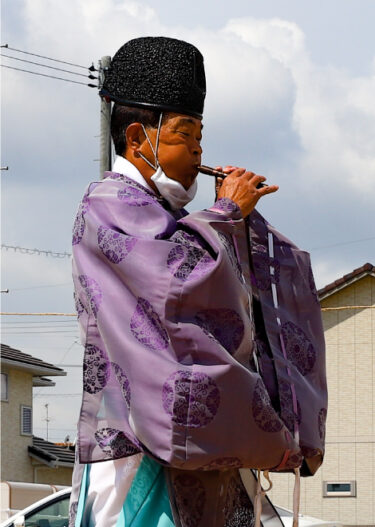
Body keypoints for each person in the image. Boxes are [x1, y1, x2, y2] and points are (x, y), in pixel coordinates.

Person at [69, 36, 326, 527]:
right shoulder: (109, 202)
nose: (198, 150)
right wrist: (226, 213)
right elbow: (176, 283)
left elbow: (207, 273)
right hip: (137, 447)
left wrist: (235, 222)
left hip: (193, 450)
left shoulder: (173, 218)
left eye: (201, 138)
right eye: (185, 134)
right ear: (140, 138)